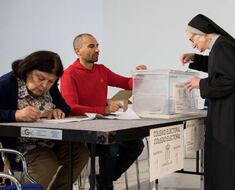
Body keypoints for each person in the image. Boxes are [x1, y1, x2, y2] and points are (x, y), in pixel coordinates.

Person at [180, 14, 235, 190]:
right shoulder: (220, 45)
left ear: (205, 34)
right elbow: (219, 65)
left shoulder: (222, 46)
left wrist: (201, 83)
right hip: (229, 111)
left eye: (193, 40)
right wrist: (195, 58)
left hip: (228, 115)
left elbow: (229, 78)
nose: (193, 44)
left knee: (226, 159)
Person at [60, 33, 145, 190]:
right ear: (77, 51)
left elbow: (126, 83)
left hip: (105, 125)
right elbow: (71, 107)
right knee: (111, 147)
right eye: (91, 46)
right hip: (83, 131)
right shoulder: (69, 74)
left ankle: (103, 179)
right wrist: (103, 109)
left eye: (98, 46)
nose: (97, 50)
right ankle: (106, 185)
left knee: (137, 145)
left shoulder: (101, 70)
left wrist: (140, 75)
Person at [0, 50, 89, 190]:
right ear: (27, 70)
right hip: (21, 147)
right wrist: (15, 114)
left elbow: (65, 107)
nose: (45, 86)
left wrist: (58, 111)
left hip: (50, 141)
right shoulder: (7, 84)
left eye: (51, 81)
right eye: (40, 78)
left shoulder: (49, 86)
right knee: (47, 162)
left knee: (80, 153)